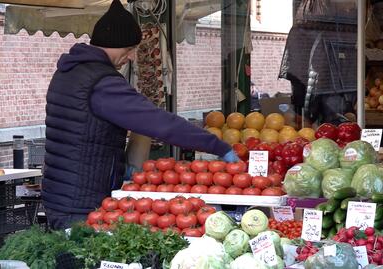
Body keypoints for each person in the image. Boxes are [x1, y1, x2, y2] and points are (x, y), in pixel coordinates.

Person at [42, 0, 239, 229]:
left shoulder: (67, 73)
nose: (133, 57)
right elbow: (160, 123)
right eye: (129, 49)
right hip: (83, 201)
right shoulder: (102, 83)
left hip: (60, 194)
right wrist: (217, 145)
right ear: (113, 44)